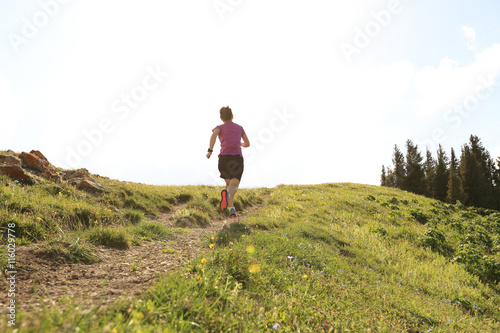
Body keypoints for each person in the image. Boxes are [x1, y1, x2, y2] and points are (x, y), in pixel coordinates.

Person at [207, 106, 250, 218]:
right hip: (236, 159)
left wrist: (210, 150)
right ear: (232, 116)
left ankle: (231, 209)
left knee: (228, 184)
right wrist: (240, 143)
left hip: (223, 160)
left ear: (221, 118)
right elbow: (247, 143)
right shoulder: (239, 128)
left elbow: (214, 135)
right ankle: (226, 198)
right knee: (234, 185)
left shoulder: (219, 127)